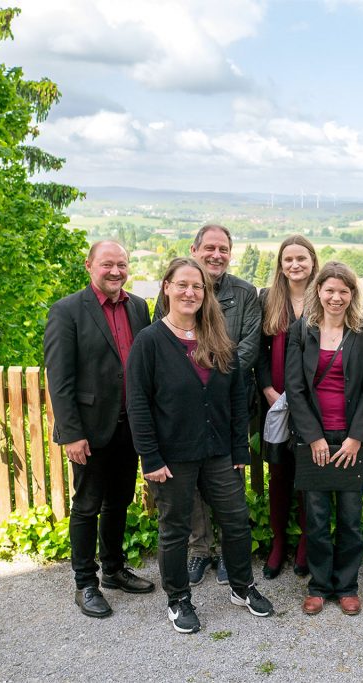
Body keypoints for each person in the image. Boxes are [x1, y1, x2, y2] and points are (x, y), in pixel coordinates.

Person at [127, 257, 274, 634]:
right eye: (183, 285)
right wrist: (150, 458)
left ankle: (242, 588)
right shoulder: (150, 342)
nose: (190, 292)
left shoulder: (218, 339)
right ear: (167, 288)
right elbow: (138, 404)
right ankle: (178, 600)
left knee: (237, 521)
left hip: (219, 453)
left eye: (198, 287)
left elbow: (236, 401)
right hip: (172, 457)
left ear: (205, 294)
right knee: (174, 530)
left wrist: (239, 450)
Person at [44, 241, 155, 618]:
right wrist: (71, 433)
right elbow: (59, 380)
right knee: (87, 505)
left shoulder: (139, 307)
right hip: (89, 430)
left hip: (129, 426)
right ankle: (85, 583)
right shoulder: (67, 311)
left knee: (119, 501)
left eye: (122, 264)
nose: (115, 271)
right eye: (107, 264)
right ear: (89, 265)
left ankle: (113, 569)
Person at [154, 224, 262, 587]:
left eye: (224, 249)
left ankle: (233, 557)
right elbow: (163, 342)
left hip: (231, 404)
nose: (217, 254)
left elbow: (248, 344)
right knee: (192, 486)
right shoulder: (172, 290)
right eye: (210, 248)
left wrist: (214, 375)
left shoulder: (246, 294)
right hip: (185, 408)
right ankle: (200, 549)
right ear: (195, 250)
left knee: (229, 476)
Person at [285, 261, 363, 617]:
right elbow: (294, 388)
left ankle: (348, 585)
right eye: (330, 290)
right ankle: (319, 585)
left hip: (352, 440)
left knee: (351, 518)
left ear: (352, 294)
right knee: (317, 516)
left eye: (344, 291)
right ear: (318, 292)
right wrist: (313, 437)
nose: (336, 297)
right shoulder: (302, 330)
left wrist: (356, 437)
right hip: (315, 440)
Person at [254, 235, 319, 579]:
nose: (295, 265)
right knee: (278, 475)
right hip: (276, 402)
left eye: (301, 258)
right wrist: (267, 388)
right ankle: (279, 544)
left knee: (308, 476)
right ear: (280, 265)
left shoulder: (324, 297)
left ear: (312, 261)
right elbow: (260, 350)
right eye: (288, 259)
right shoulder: (268, 300)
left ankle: (307, 544)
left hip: (314, 405)